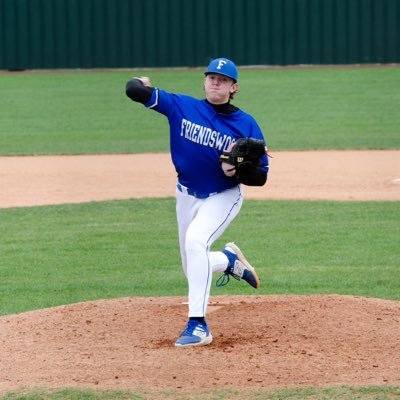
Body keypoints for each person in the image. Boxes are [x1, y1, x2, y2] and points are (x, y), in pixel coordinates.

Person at [125, 57, 269, 347]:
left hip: (223, 195)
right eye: (211, 77)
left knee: (195, 242)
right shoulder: (182, 106)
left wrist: (239, 169)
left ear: (234, 87)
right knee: (192, 267)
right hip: (185, 196)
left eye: (223, 79)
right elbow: (133, 91)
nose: (216, 82)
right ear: (204, 81)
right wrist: (141, 83)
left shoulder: (246, 124)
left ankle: (198, 326)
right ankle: (228, 261)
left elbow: (261, 177)